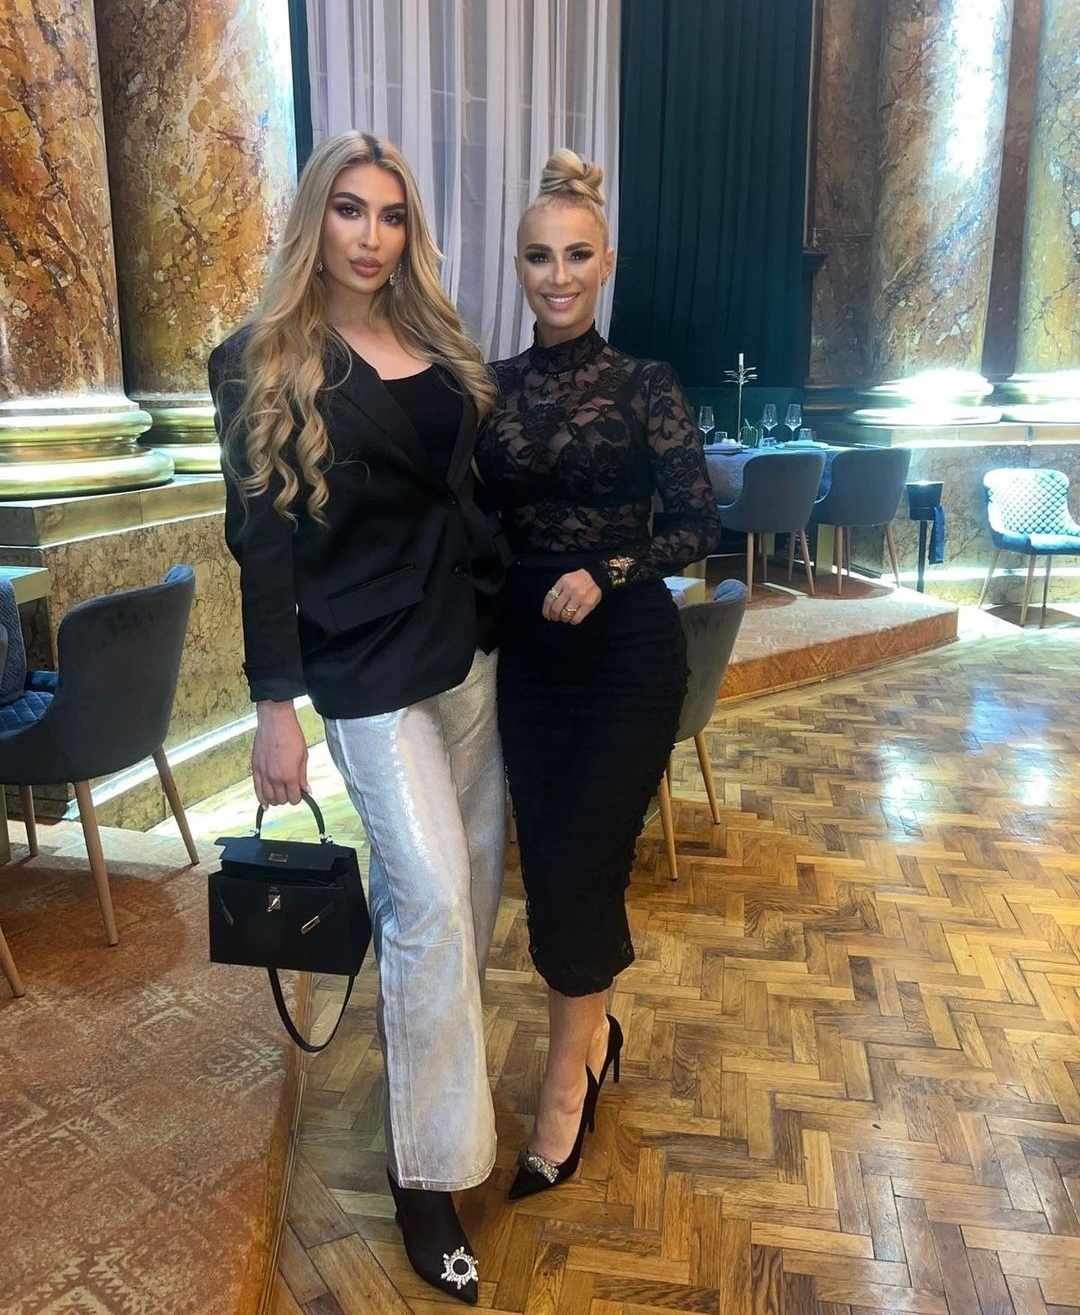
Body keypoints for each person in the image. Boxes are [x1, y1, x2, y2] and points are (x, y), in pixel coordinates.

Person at [209, 131, 506, 1305]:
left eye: (390, 215)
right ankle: (425, 1173)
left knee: (463, 899)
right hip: (364, 663)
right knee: (427, 899)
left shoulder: (437, 339)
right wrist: (273, 706)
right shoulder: (259, 360)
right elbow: (261, 545)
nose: (371, 236)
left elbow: (464, 490)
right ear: (314, 220)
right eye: (349, 209)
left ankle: (437, 1103)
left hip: (469, 647)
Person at [475, 149, 723, 1198]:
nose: (559, 275)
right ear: (519, 265)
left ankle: (562, 1090)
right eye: (540, 257)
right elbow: (474, 524)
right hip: (530, 665)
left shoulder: (645, 385)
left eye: (578, 255)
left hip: (626, 657)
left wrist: (608, 568)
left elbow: (698, 523)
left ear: (607, 262)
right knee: (553, 867)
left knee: (583, 863)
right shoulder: (490, 387)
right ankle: (597, 1034)